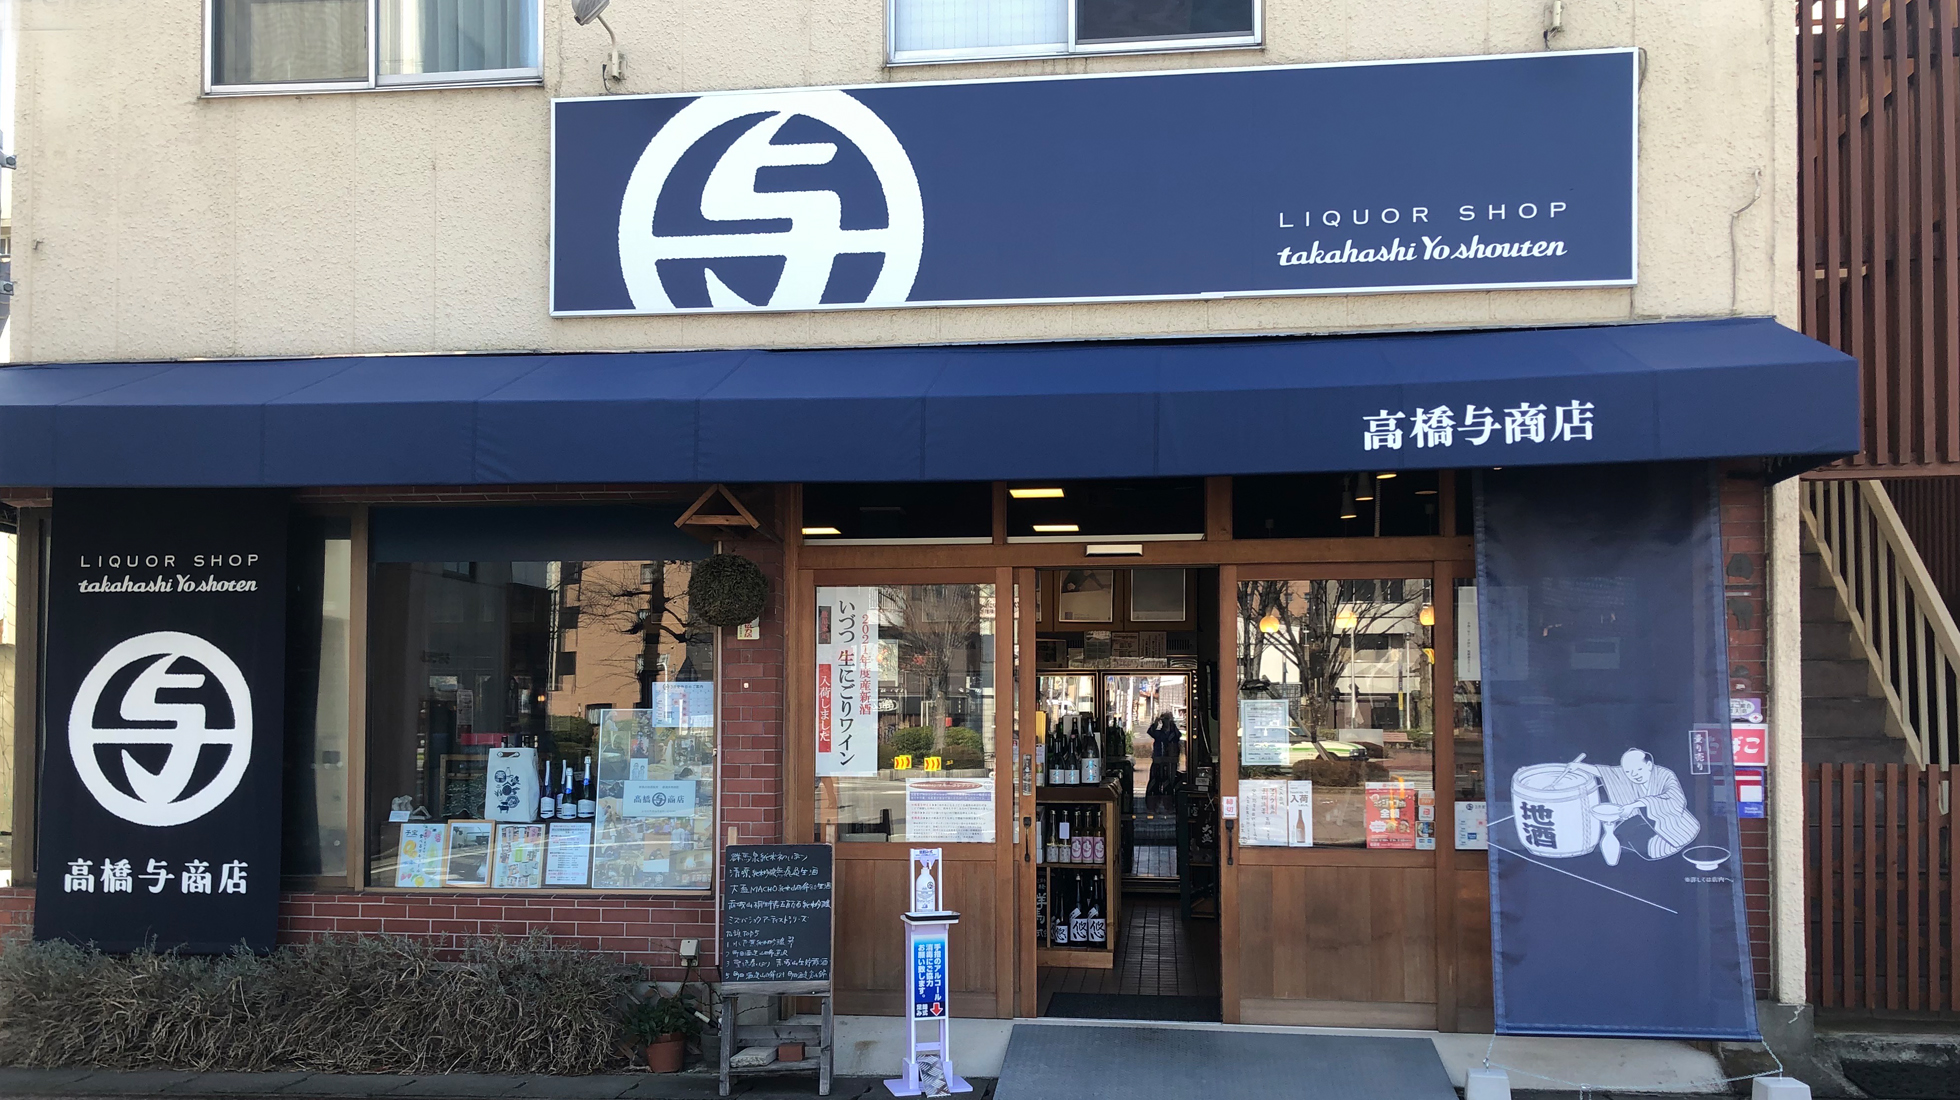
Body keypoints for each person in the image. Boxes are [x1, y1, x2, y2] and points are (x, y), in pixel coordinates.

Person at [1574, 749, 1700, 866]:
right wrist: (1578, 766)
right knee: (1619, 835)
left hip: (1676, 826)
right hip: (1645, 823)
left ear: (1649, 765)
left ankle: (1659, 845)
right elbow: (1605, 772)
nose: (1634, 774)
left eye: (1639, 769)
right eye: (1628, 772)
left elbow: (1674, 798)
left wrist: (1636, 804)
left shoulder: (1665, 775)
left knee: (1645, 818)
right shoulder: (1625, 775)